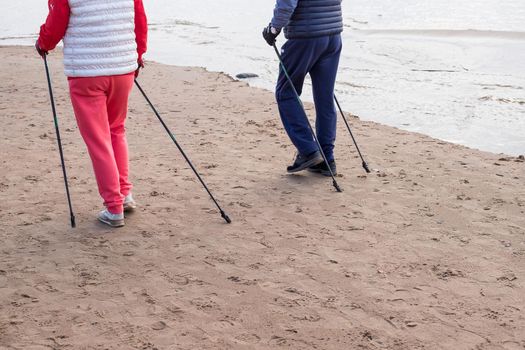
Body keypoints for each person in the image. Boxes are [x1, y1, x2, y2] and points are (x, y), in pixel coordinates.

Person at [36, 0, 148, 227]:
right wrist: (138, 55)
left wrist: (43, 43)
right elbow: (140, 21)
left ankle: (114, 207)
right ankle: (124, 195)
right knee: (116, 130)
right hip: (122, 68)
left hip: (86, 73)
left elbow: (57, 22)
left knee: (99, 140)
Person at [263, 0, 343, 176]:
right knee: (325, 97)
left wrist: (273, 29)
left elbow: (287, 5)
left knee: (285, 92)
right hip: (333, 36)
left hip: (305, 36)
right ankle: (326, 159)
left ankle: (309, 150)